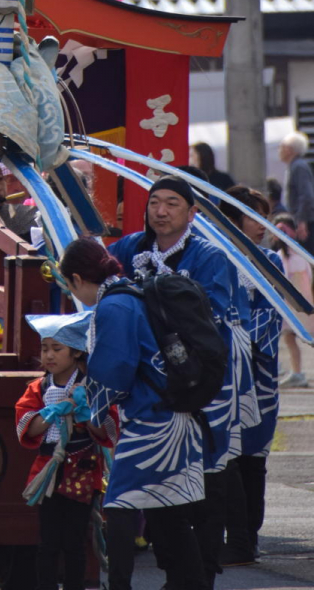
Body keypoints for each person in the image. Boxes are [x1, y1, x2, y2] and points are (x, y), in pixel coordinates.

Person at [109, 175, 237, 590]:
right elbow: (95, 275)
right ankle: (176, 572)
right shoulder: (131, 248)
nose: (160, 212)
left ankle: (201, 573)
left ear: (192, 213)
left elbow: (212, 319)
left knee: (203, 482)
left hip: (202, 381)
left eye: (172, 204)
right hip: (151, 388)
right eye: (154, 203)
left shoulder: (209, 256)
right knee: (158, 485)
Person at [59, 237, 207, 590]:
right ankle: (191, 582)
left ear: (78, 279)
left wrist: (90, 406)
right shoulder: (133, 293)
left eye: (69, 285)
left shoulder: (113, 307)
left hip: (149, 419)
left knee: (121, 502)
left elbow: (114, 369)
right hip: (174, 410)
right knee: (168, 505)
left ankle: (120, 584)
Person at [15, 313, 116, 590]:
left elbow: (107, 433)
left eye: (56, 349)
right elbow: (28, 427)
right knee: (47, 541)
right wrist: (54, 410)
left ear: (75, 352)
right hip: (49, 468)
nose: (48, 355)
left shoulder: (93, 387)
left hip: (83, 467)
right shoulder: (39, 388)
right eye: (44, 348)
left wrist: (87, 414)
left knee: (74, 541)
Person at [220, 187, 283, 562]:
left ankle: (247, 538)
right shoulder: (212, 256)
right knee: (224, 459)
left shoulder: (270, 260)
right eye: (254, 216)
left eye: (265, 217)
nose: (263, 226)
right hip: (222, 378)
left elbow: (272, 316)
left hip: (257, 379)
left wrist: (230, 337)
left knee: (253, 461)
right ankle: (233, 537)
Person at [272, 212, 312, 388]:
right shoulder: (300, 254)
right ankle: (296, 372)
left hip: (292, 306)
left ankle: (297, 372)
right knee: (292, 338)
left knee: (290, 338)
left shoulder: (281, 256)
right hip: (305, 304)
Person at [278, 132, 314, 256]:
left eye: (282, 147)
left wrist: (302, 221)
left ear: (290, 149)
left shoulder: (299, 167)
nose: (280, 151)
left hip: (304, 223)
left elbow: (306, 195)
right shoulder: (294, 166)